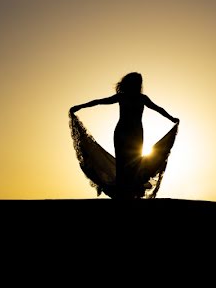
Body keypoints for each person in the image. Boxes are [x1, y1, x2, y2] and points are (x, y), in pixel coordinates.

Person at [69, 71, 179, 199]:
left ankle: (130, 193)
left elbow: (158, 109)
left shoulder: (142, 98)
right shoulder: (122, 97)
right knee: (122, 163)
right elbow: (99, 101)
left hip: (136, 135)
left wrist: (171, 118)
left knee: (135, 162)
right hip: (122, 133)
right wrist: (80, 106)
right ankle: (123, 193)